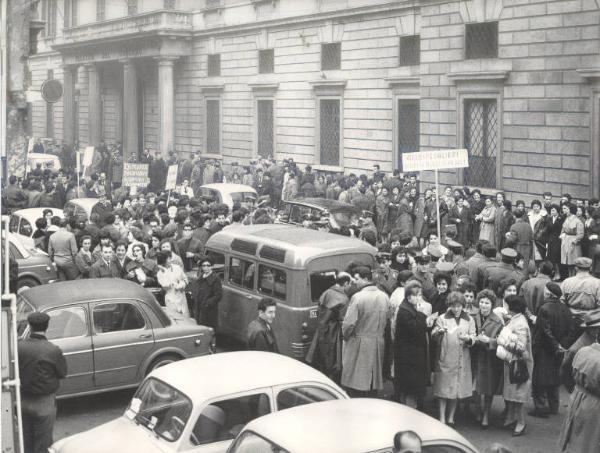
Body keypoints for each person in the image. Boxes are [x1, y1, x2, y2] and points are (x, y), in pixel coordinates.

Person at [18, 312, 67, 453]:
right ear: (46, 327)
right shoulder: (53, 350)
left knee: (26, 441)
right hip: (44, 403)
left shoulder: (19, 347)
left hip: (23, 400)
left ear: (30, 326)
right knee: (43, 444)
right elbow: (62, 373)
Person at [341, 265, 390, 397]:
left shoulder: (358, 297)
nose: (354, 282)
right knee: (373, 379)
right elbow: (388, 319)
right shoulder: (384, 296)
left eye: (356, 279)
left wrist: (346, 337)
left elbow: (348, 324)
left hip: (359, 341)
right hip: (378, 341)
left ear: (366, 279)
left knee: (356, 380)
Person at [530, 282, 574, 418]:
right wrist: (562, 346)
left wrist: (555, 345)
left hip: (544, 349)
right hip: (558, 350)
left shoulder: (544, 308)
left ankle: (541, 408)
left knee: (540, 378)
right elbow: (570, 331)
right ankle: (554, 406)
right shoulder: (565, 309)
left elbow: (545, 330)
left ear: (548, 293)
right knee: (554, 378)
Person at [431, 291, 476, 425]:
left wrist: (468, 339)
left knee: (456, 389)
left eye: (459, 306)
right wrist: (438, 332)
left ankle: (451, 417)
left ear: (463, 305)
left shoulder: (469, 319)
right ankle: (442, 417)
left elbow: (474, 336)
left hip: (462, 358)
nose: (456, 309)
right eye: (453, 306)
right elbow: (434, 335)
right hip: (446, 357)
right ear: (449, 305)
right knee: (444, 389)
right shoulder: (442, 318)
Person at [558, 325, 600, 453]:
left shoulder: (584, 350)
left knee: (574, 434)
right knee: (589, 441)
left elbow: (566, 370)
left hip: (577, 396)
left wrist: (575, 389)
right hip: (595, 405)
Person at [496, 295, 532, 436]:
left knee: (518, 395)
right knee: (513, 392)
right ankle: (512, 418)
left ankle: (521, 423)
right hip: (513, 362)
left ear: (512, 307)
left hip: (519, 363)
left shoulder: (520, 324)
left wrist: (502, 341)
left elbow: (521, 347)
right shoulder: (516, 320)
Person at [305, 272, 351, 383]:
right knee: (334, 360)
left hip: (321, 329)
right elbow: (343, 319)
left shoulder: (327, 292)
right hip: (334, 332)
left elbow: (319, 309)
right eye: (350, 283)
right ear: (345, 283)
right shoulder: (344, 299)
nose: (350, 286)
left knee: (321, 357)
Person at [393, 281, 430, 409]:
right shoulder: (405, 311)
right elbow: (414, 329)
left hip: (410, 356)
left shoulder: (407, 308)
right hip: (410, 357)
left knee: (409, 389)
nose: (420, 298)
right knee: (411, 389)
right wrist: (422, 315)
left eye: (420, 295)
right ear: (409, 296)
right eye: (417, 295)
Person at [472, 289, 504, 429]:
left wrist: (489, 340)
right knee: (475, 387)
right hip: (475, 355)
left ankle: (486, 415)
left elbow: (501, 340)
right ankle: (478, 410)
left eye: (487, 303)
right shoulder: (473, 316)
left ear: (492, 305)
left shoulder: (497, 321)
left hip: (489, 359)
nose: (483, 305)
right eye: (482, 302)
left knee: (488, 388)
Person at [561, 257, 600, 328]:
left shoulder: (566, 282)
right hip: (591, 322)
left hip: (570, 319)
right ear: (590, 268)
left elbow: (561, 303)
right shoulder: (597, 283)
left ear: (576, 268)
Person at [190, 256, 223, 329]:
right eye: (204, 265)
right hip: (199, 307)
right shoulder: (201, 277)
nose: (206, 267)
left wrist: (207, 303)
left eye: (208, 265)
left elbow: (218, 295)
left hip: (209, 310)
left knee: (208, 328)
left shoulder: (215, 278)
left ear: (211, 266)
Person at [156, 250, 189, 316]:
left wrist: (182, 284)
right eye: (168, 259)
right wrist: (165, 271)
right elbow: (166, 285)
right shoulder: (160, 274)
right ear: (163, 260)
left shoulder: (177, 267)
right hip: (171, 299)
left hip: (181, 297)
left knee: (186, 319)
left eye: (170, 258)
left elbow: (185, 279)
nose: (170, 260)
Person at [560, 203, 584, 277]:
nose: (564, 211)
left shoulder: (577, 221)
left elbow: (580, 233)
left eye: (566, 209)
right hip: (566, 241)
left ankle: (573, 277)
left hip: (573, 243)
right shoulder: (566, 219)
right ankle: (570, 277)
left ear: (570, 210)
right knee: (568, 262)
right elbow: (563, 230)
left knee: (573, 262)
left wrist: (575, 240)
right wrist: (562, 235)